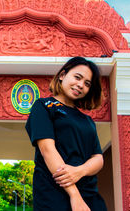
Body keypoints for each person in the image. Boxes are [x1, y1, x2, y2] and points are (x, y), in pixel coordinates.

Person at [25, 56, 107, 211]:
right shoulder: (43, 106)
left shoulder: (87, 120)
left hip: (89, 196)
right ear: (62, 75)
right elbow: (48, 150)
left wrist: (79, 171)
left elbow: (98, 158)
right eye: (78, 77)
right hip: (54, 195)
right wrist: (74, 195)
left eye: (87, 83)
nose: (81, 85)